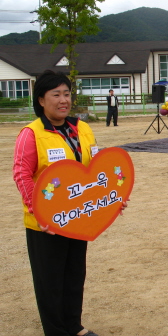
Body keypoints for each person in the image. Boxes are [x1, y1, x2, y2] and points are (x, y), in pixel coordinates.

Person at [12, 70, 128, 336]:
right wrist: (40, 214)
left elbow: (97, 169)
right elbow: (22, 175)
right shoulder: (31, 134)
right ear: (41, 99)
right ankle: (56, 331)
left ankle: (74, 326)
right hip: (47, 225)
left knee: (74, 276)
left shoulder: (82, 128)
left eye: (67, 94)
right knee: (49, 281)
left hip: (79, 218)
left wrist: (112, 199)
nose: (63, 100)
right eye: (56, 95)